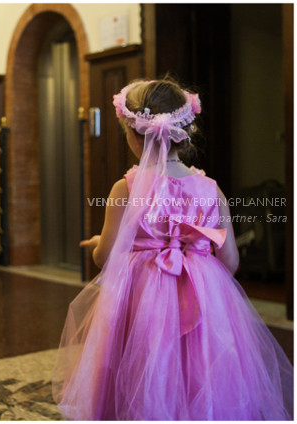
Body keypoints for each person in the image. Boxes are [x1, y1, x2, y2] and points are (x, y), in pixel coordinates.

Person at [52, 79, 293, 420]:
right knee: (200, 370)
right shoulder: (211, 188)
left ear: (134, 137)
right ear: (185, 133)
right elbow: (231, 260)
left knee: (143, 366)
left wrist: (100, 245)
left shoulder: (125, 187)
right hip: (203, 294)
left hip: (140, 297)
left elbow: (105, 257)